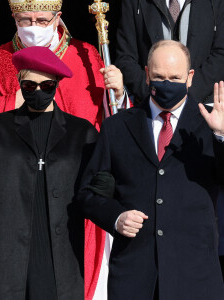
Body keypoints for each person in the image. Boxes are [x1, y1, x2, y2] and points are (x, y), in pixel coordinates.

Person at [0, 0, 125, 299]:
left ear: (58, 17)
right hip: (13, 193)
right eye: (25, 19)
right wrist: (15, 101)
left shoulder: (86, 56)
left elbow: (112, 124)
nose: (33, 27)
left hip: (71, 189)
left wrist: (120, 95)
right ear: (13, 17)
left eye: (41, 19)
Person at [0, 46, 98, 300]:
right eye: (29, 86)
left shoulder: (82, 134)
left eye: (46, 86)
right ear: (19, 84)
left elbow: (96, 196)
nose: (37, 92)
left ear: (57, 83)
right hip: (3, 262)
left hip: (58, 263)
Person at [78, 40, 224, 300]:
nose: (167, 84)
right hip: (135, 278)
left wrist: (221, 136)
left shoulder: (210, 126)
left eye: (175, 78)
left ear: (190, 77)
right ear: (146, 75)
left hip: (194, 277)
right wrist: (116, 217)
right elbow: (90, 193)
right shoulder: (118, 128)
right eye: (159, 77)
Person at [115, 0, 224, 104]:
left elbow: (220, 54)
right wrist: (154, 94)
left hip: (202, 106)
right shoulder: (133, 2)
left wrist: (188, 96)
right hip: (149, 107)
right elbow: (125, 57)